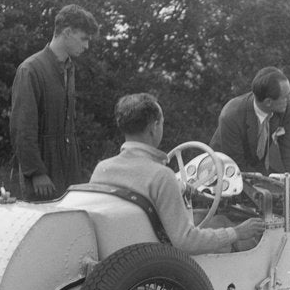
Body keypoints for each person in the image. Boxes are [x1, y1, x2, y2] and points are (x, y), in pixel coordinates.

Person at [90, 93, 265, 254]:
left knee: (203, 218)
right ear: (154, 127)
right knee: (224, 222)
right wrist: (236, 232)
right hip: (161, 259)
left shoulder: (102, 169)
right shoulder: (161, 176)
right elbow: (186, 241)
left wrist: (180, 188)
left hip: (121, 254)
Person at [10, 4, 100, 201]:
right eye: (83, 39)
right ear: (67, 32)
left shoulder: (69, 68)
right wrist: (36, 173)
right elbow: (23, 128)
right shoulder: (30, 70)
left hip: (68, 167)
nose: (86, 46)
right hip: (44, 171)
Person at [209, 66, 290, 176]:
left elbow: (288, 147)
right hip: (222, 170)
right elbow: (237, 165)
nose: (289, 99)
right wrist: (264, 183)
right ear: (268, 102)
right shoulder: (231, 116)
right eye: (285, 97)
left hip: (254, 168)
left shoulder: (285, 107)